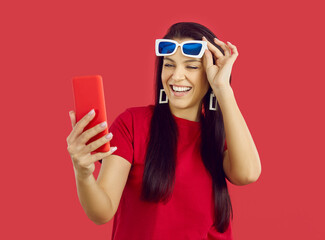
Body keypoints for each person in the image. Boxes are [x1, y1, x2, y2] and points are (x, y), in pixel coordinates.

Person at [66, 22, 261, 240]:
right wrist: (83, 173)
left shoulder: (222, 134)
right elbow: (102, 211)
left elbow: (248, 174)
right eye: (169, 65)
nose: (176, 77)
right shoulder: (132, 124)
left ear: (209, 73)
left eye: (191, 67)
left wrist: (223, 87)